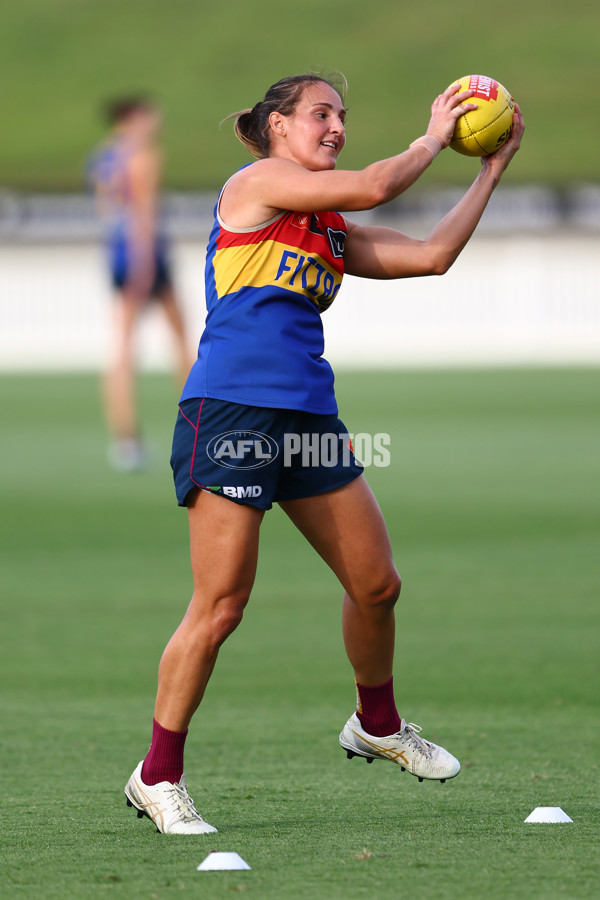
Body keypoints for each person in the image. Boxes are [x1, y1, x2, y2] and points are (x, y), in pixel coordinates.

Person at [124, 72, 524, 834]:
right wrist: (436, 134)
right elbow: (377, 183)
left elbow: (435, 254)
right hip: (232, 410)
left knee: (376, 586)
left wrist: (491, 169)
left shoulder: (327, 227)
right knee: (221, 606)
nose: (336, 125)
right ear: (277, 126)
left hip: (310, 418)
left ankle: (376, 724)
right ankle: (157, 775)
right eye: (320, 113)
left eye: (342, 114)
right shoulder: (258, 182)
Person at [88, 96, 194, 471]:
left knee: (122, 345)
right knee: (182, 339)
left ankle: (125, 438)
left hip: (115, 251)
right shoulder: (143, 156)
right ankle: (202, 425)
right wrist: (145, 263)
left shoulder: (104, 156)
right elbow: (144, 214)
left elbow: (107, 210)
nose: (156, 120)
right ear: (134, 117)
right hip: (144, 254)